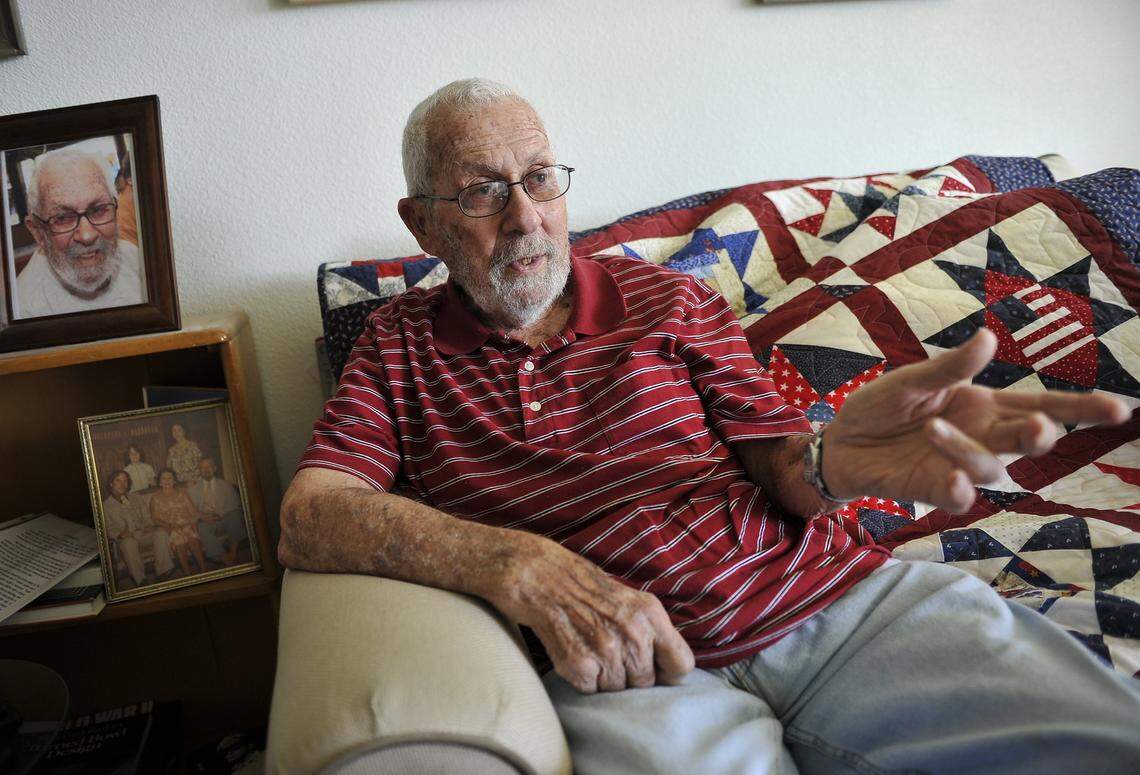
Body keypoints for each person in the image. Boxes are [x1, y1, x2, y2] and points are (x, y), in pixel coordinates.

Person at [276, 79, 1140, 772]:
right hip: (629, 668)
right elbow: (311, 514)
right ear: (422, 222)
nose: (526, 217)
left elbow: (784, 466)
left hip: (835, 602)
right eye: (481, 192)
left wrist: (836, 458)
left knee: (1106, 739)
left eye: (539, 178)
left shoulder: (671, 300)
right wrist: (519, 564)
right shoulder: (395, 345)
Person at [16, 149, 144, 320]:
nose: (87, 235)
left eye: (98, 210)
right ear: (37, 232)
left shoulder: (133, 256)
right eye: (63, 218)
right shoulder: (24, 311)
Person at [102, 469, 174, 586]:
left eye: (125, 481)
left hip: (143, 533)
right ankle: (141, 580)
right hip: (127, 537)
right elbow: (107, 528)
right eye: (118, 481)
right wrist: (119, 534)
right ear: (111, 483)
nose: (122, 484)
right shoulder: (106, 506)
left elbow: (147, 516)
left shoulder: (136, 497)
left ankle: (163, 571)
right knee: (129, 543)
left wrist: (149, 525)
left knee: (161, 533)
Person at [149, 468, 213, 577]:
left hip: (186, 523)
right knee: (179, 542)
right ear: (159, 481)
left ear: (174, 480)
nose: (167, 480)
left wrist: (205, 516)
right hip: (171, 526)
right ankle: (188, 574)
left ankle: (204, 570)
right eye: (163, 478)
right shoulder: (155, 497)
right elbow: (155, 518)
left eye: (169, 478)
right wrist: (168, 526)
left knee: (193, 540)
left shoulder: (182, 492)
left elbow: (193, 511)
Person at [187, 457, 246, 565]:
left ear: (214, 468)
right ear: (199, 471)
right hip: (206, 520)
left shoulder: (226, 485)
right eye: (202, 468)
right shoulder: (192, 490)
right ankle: (223, 556)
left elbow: (234, 504)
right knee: (201, 527)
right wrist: (203, 517)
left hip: (225, 516)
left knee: (235, 517)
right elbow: (192, 510)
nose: (206, 470)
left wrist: (220, 514)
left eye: (208, 467)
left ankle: (233, 553)